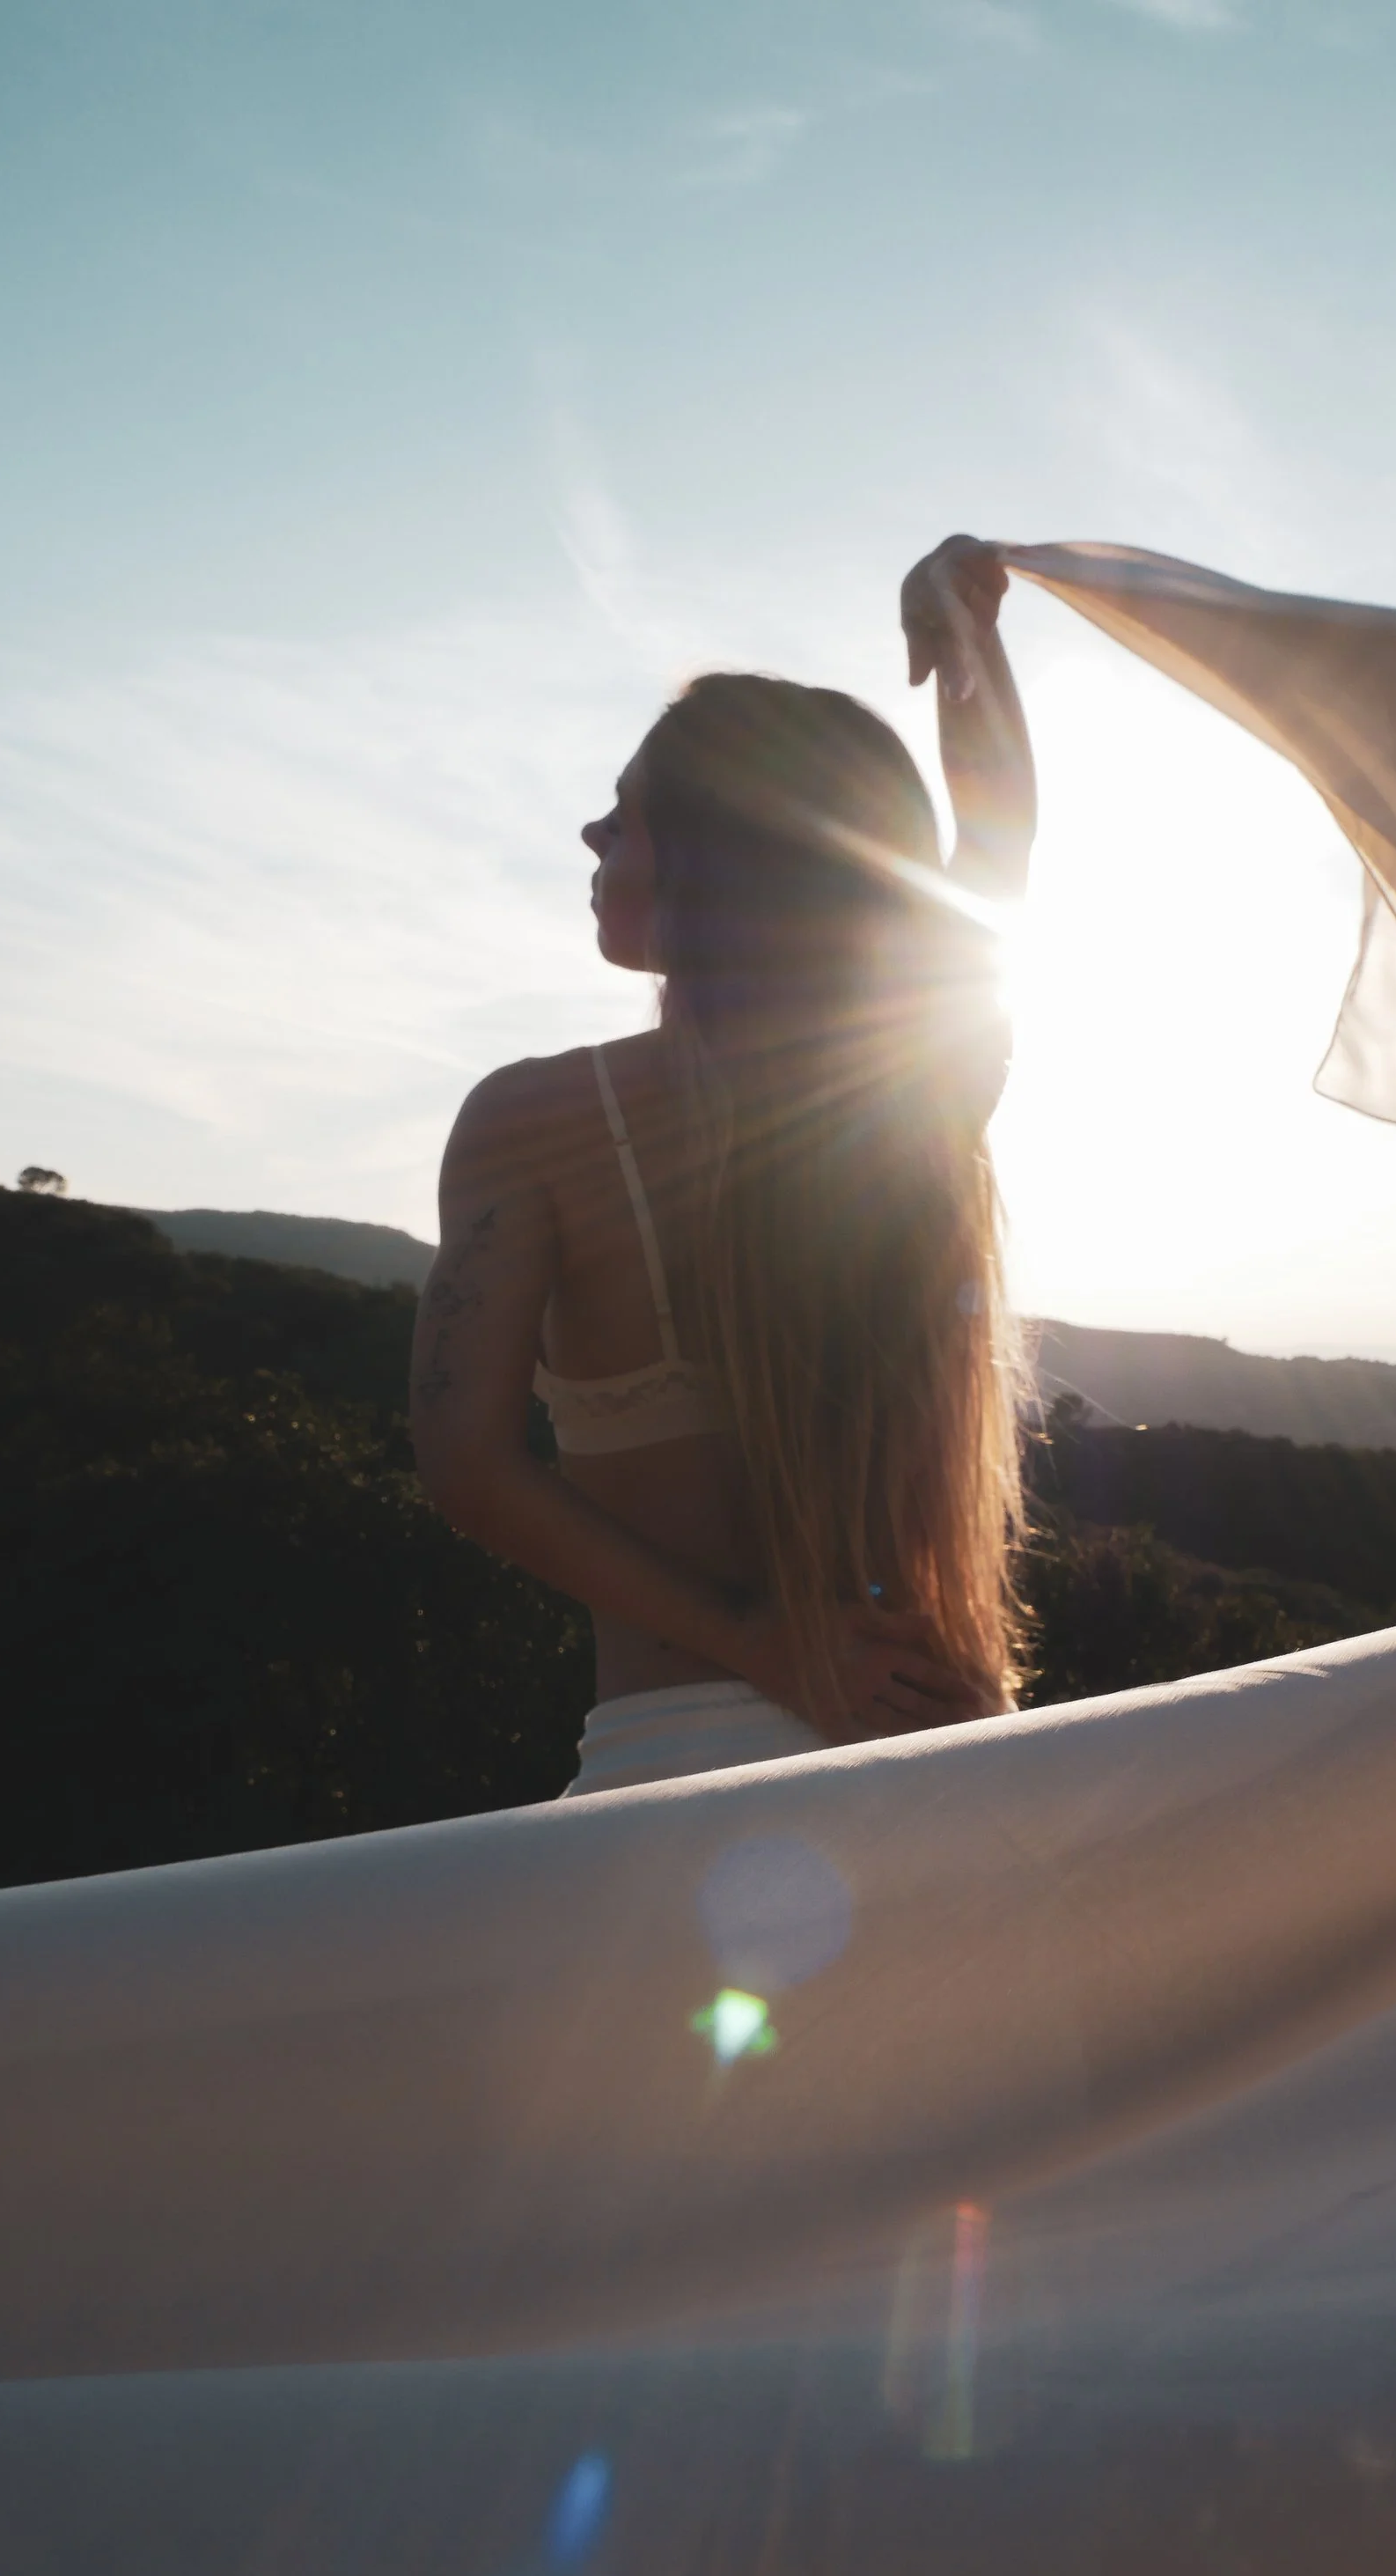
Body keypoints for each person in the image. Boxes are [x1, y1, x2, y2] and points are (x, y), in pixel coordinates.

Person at [409, 536, 1038, 1794]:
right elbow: (995, 845)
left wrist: (763, 1647)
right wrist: (965, 641)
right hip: (953, 1759)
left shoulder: (532, 1119)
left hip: (675, 1770)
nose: (590, 829)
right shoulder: (916, 1089)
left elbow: (463, 1460)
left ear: (716, 851)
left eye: (627, 811)